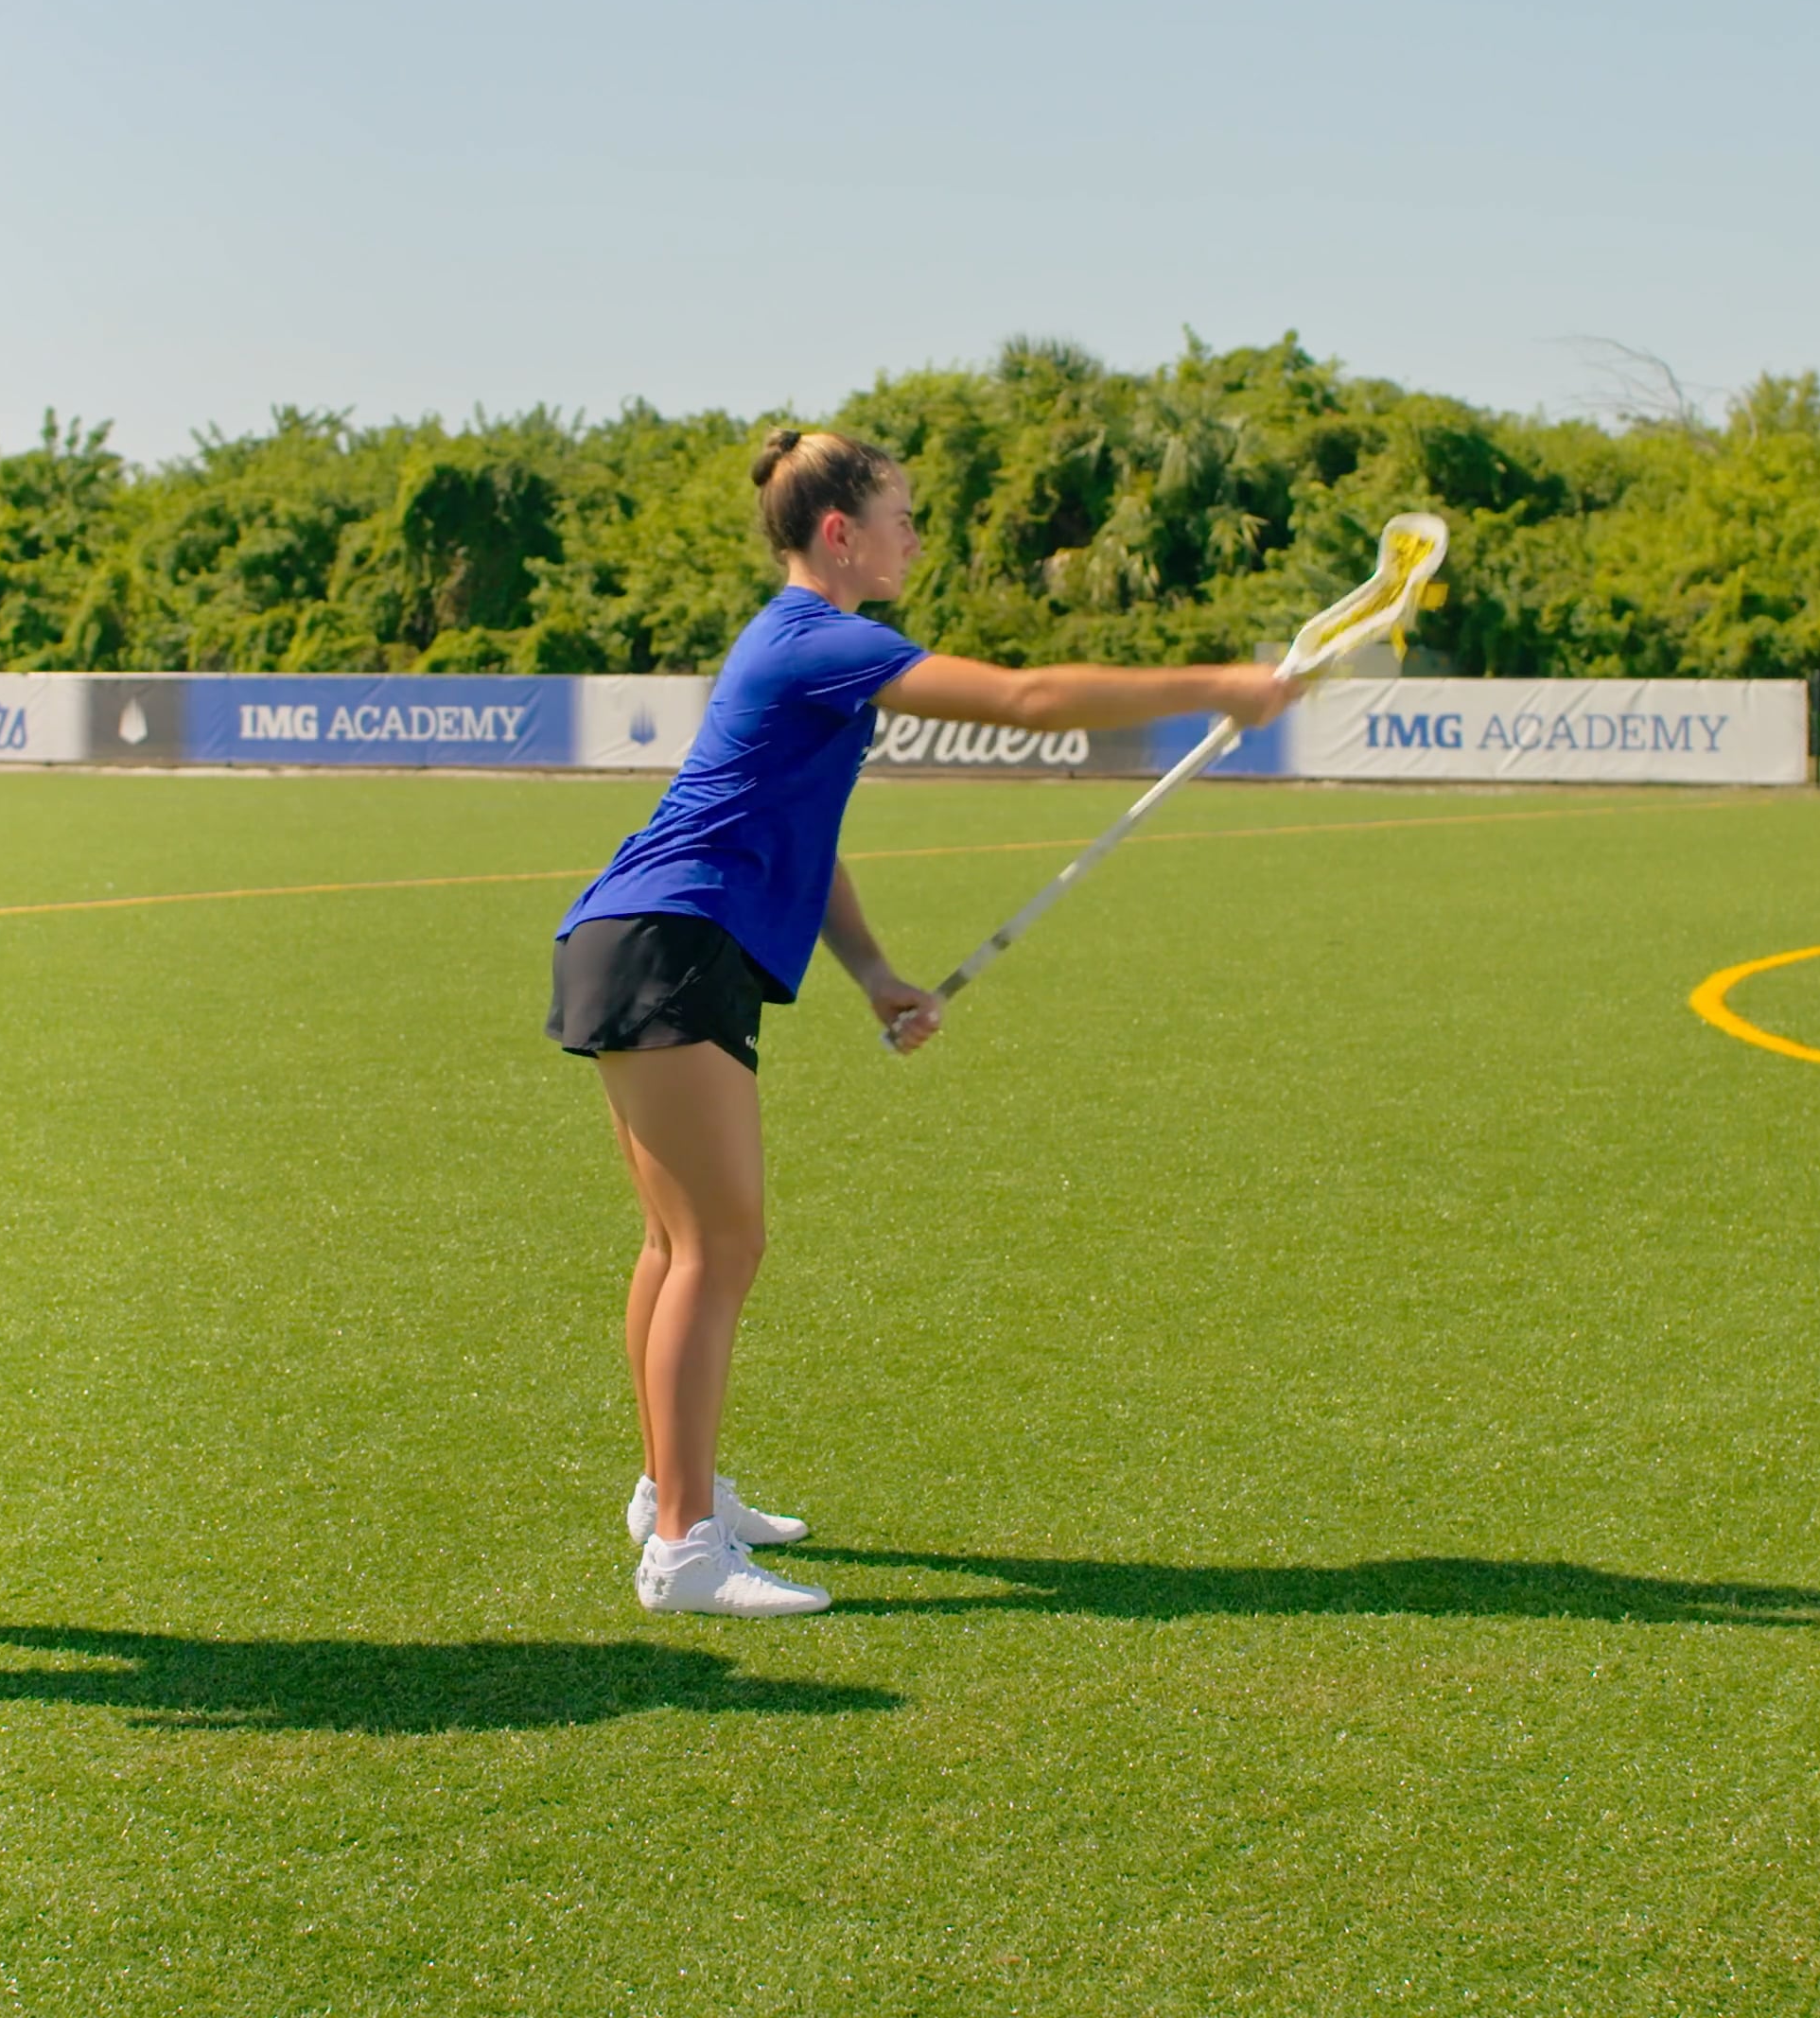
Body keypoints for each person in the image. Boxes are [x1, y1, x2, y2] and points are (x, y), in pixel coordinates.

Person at [548, 428, 1299, 1617]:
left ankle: (671, 1487)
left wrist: (874, 973)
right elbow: (1029, 699)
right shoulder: (824, 639)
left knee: (675, 1243)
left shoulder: (800, 651)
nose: (915, 536)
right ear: (837, 532)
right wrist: (1218, 685)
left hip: (649, 942)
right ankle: (684, 1550)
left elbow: (809, 845)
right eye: (900, 514)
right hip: (667, 946)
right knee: (718, 1247)